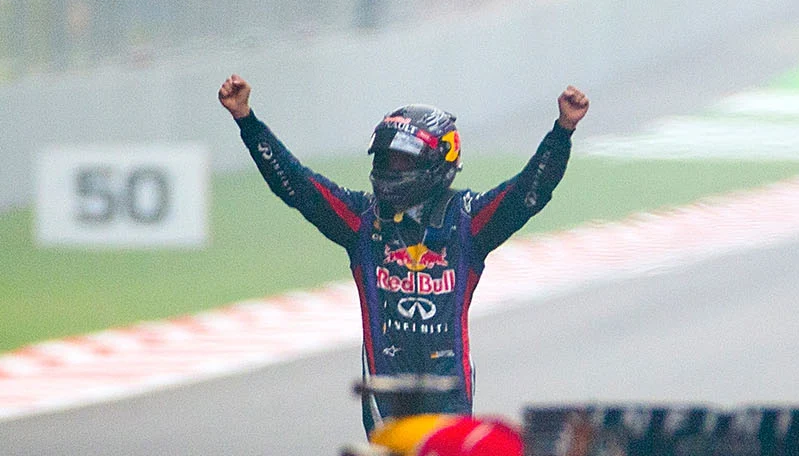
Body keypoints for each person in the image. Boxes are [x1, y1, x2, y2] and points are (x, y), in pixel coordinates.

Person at [219, 73, 588, 435]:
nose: (392, 169)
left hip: (449, 393)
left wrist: (563, 131)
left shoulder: (467, 222)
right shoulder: (362, 221)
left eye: (403, 161)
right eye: (387, 159)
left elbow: (528, 194)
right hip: (385, 396)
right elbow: (299, 187)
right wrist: (246, 120)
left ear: (439, 161)